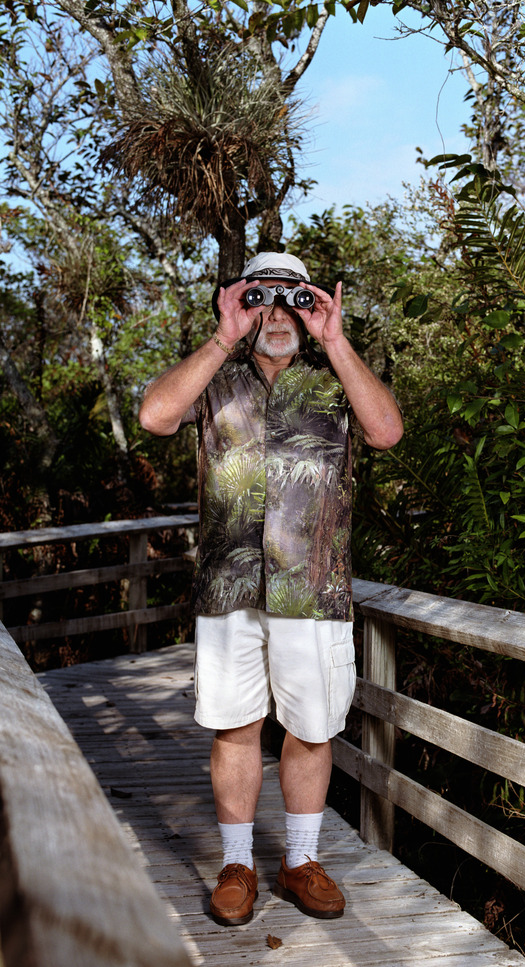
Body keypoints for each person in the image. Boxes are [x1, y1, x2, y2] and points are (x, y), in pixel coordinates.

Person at [139, 252, 403, 926]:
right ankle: (237, 864)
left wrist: (336, 339)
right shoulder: (216, 378)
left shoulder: (333, 377)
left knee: (311, 730)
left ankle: (302, 860)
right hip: (228, 587)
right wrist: (225, 334)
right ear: (241, 304)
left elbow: (386, 431)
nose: (278, 315)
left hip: (314, 591)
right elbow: (153, 416)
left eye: (293, 300)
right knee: (234, 726)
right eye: (263, 299)